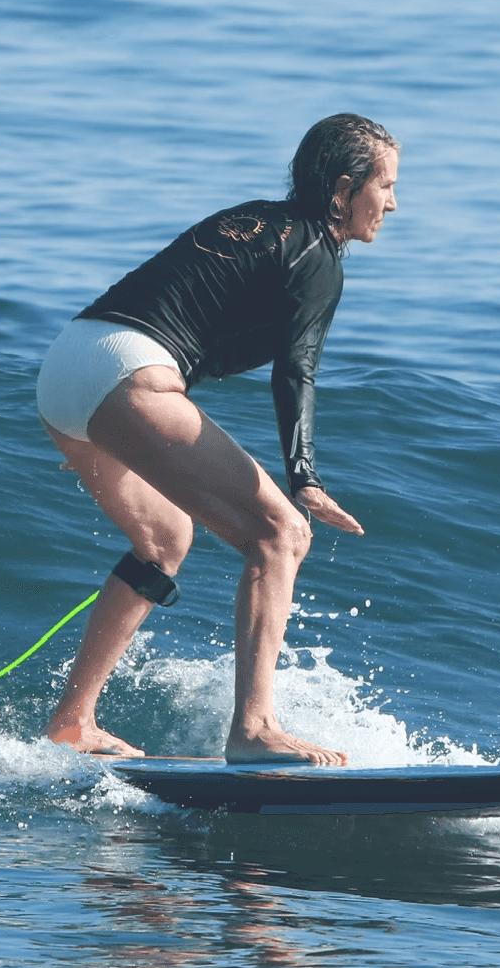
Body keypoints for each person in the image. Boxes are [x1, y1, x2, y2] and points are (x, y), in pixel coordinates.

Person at [34, 113, 399, 766]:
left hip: (71, 362)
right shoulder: (317, 255)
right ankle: (254, 729)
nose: (393, 203)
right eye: (386, 186)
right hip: (128, 375)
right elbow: (298, 369)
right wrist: (304, 477)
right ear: (344, 191)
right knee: (281, 534)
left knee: (164, 540)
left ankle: (73, 722)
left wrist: (116, 425)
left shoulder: (254, 218)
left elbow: (180, 311)